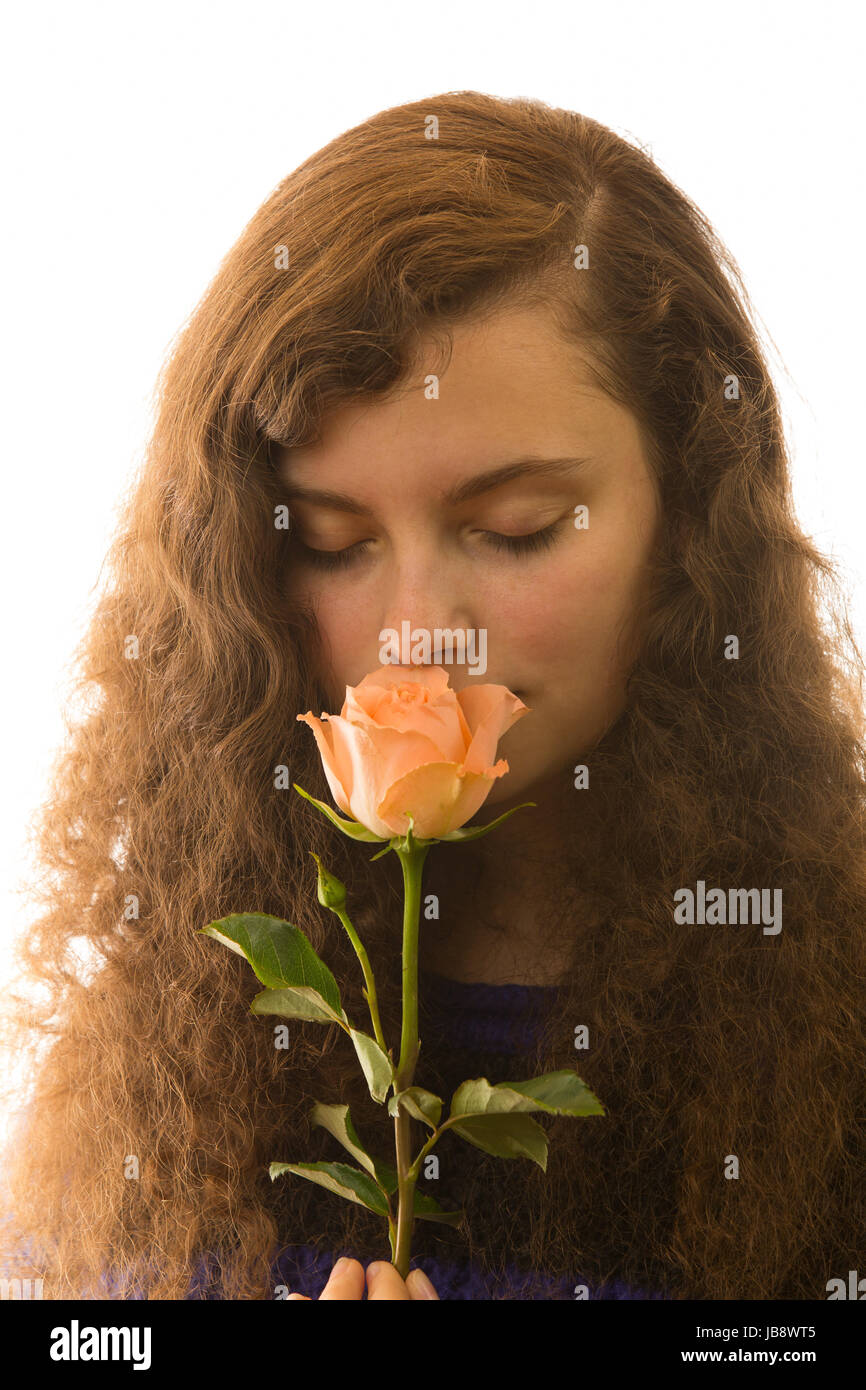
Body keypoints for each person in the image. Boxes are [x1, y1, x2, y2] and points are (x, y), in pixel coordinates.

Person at [1, 89, 864, 1302]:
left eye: (515, 530)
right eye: (335, 540)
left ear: (693, 517)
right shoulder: (168, 1035)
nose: (417, 635)